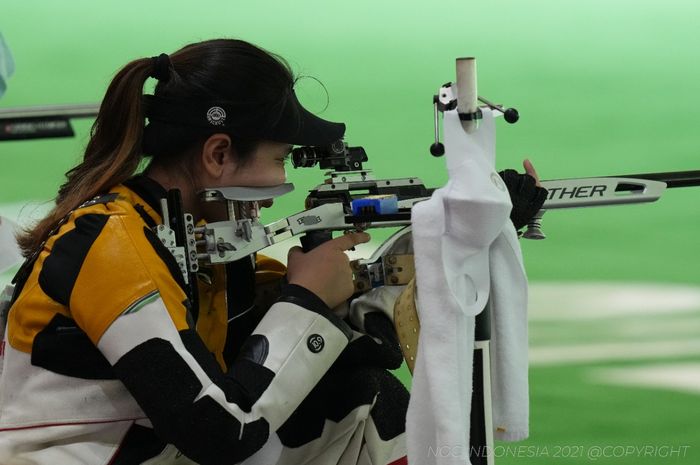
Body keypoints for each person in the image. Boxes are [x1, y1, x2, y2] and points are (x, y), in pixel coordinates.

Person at [0, 39, 409, 465]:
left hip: (149, 452)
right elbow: (220, 433)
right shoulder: (113, 246)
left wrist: (365, 297)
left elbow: (339, 360)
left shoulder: (188, 237)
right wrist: (307, 302)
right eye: (279, 158)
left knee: (367, 400)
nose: (278, 184)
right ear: (218, 154)